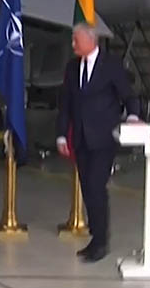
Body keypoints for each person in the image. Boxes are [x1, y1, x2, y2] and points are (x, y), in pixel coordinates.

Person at [56, 23, 141, 262]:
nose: (73, 44)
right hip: (80, 138)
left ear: (90, 40)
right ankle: (96, 238)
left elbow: (129, 95)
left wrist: (133, 117)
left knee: (96, 186)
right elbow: (66, 104)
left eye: (76, 40)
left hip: (103, 138)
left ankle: (102, 241)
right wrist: (61, 134)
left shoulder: (111, 65)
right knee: (87, 188)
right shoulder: (72, 67)